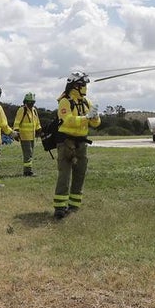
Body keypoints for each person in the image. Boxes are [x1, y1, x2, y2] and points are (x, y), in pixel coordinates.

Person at [53, 72, 100, 218]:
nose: (85, 87)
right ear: (75, 86)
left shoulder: (86, 102)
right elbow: (67, 120)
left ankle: (74, 205)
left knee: (80, 174)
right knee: (64, 175)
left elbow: (96, 124)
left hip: (81, 143)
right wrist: (86, 118)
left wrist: (95, 116)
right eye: (83, 84)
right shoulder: (64, 101)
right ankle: (60, 207)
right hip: (66, 143)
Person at [13, 92, 42, 176]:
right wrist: (16, 132)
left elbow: (37, 122)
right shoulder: (22, 110)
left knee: (30, 153)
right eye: (29, 102)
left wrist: (39, 129)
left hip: (32, 136)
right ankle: (27, 172)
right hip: (24, 136)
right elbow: (17, 121)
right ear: (25, 102)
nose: (31, 104)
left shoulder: (34, 110)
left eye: (32, 102)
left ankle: (28, 170)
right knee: (28, 153)